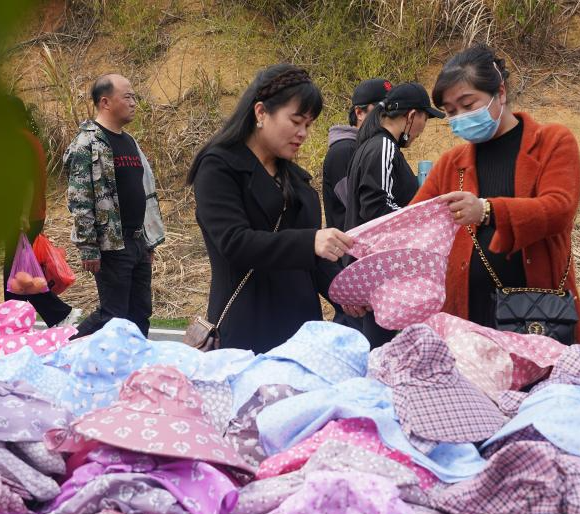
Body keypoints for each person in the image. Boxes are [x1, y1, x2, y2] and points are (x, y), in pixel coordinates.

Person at [411, 44, 580, 344]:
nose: (460, 116)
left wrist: (486, 210)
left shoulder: (552, 141)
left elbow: (559, 209)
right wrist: (362, 259)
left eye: (468, 104)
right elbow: (412, 223)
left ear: (500, 92)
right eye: (451, 112)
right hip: (468, 317)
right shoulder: (451, 164)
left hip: (536, 315)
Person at [186, 64, 358, 354]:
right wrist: (310, 241)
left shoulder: (297, 181)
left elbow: (313, 262)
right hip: (247, 328)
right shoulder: (219, 167)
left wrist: (346, 292)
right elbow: (234, 242)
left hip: (300, 332)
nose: (303, 133)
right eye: (296, 121)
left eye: (308, 125)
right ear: (261, 113)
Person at [342, 81, 442, 347]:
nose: (421, 131)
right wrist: (421, 219)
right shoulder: (384, 147)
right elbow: (376, 207)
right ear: (412, 116)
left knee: (379, 341)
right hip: (381, 269)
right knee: (382, 343)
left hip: (373, 266)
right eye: (425, 120)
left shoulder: (369, 146)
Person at [65, 73, 165, 338]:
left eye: (134, 97)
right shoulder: (87, 144)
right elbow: (80, 199)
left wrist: (149, 242)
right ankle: (69, 346)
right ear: (105, 102)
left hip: (137, 241)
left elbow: (145, 192)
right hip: (111, 245)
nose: (133, 103)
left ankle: (135, 361)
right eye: (128, 97)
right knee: (113, 315)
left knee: (140, 313)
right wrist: (88, 247)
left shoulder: (130, 141)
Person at [4, 96, 81, 328]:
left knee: (14, 276)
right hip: (31, 214)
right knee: (19, 273)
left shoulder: (19, 141)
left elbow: (26, 181)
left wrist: (22, 215)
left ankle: (58, 315)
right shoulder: (29, 139)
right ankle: (22, 322)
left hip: (23, 216)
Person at [321, 78, 392, 230]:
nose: (389, 116)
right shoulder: (343, 151)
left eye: (392, 109)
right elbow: (360, 208)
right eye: (382, 109)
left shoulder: (372, 147)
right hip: (349, 243)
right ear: (359, 112)